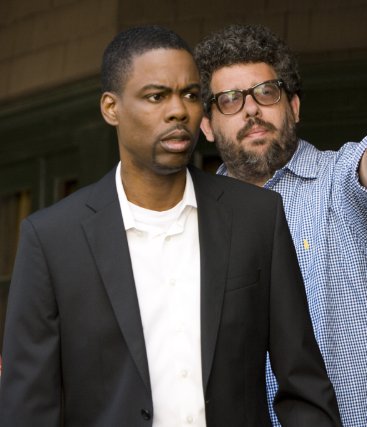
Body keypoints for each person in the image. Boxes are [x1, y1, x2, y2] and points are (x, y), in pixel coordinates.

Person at [0, 25, 342, 427]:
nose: (179, 110)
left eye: (191, 95)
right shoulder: (53, 239)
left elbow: (303, 385)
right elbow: (29, 409)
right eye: (157, 96)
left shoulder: (256, 217)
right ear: (111, 108)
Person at [195, 24, 367, 427]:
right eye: (229, 100)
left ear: (293, 107)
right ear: (207, 125)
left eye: (266, 92)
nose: (251, 110)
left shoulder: (339, 182)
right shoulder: (197, 221)